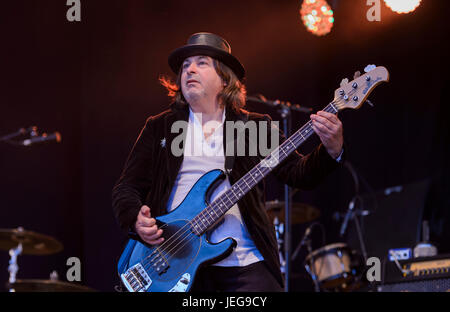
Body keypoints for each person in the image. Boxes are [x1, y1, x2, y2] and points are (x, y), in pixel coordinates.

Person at [112, 32, 344, 292]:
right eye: (185, 65)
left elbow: (299, 174)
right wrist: (136, 219)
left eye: (201, 62)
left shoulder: (255, 127)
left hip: (245, 263)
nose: (189, 69)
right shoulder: (160, 128)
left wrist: (330, 150)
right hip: (173, 261)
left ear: (224, 79)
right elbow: (126, 188)